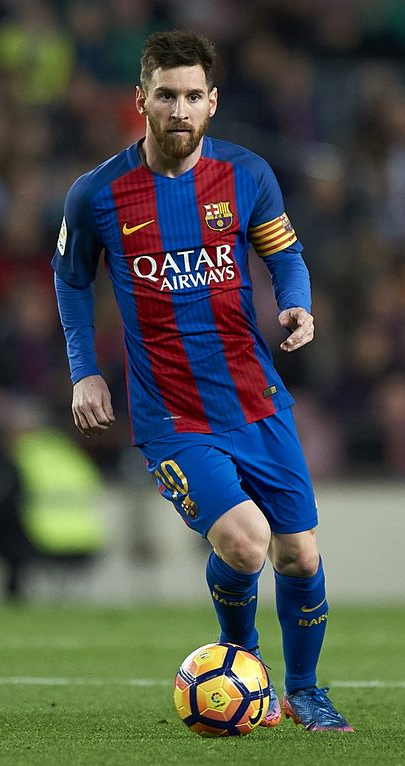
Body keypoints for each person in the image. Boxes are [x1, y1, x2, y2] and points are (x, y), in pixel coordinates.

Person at [52, 29, 353, 732]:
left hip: (256, 398)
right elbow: (70, 281)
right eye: (166, 96)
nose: (179, 110)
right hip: (173, 416)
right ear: (142, 100)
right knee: (245, 543)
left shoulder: (247, 174)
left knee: (298, 554)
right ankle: (243, 662)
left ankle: (304, 692)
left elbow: (286, 254)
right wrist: (84, 372)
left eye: (192, 96)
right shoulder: (96, 193)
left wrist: (296, 302)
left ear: (212, 102)